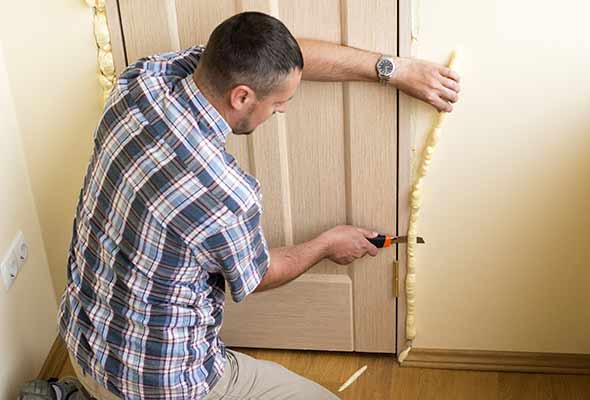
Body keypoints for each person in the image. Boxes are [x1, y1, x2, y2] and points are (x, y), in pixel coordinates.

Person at [59, 11, 460, 400]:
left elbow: (277, 59)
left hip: (81, 346)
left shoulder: (143, 81)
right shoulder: (223, 193)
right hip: (160, 385)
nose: (282, 109)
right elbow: (257, 276)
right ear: (243, 96)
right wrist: (326, 244)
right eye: (278, 103)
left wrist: (392, 69)